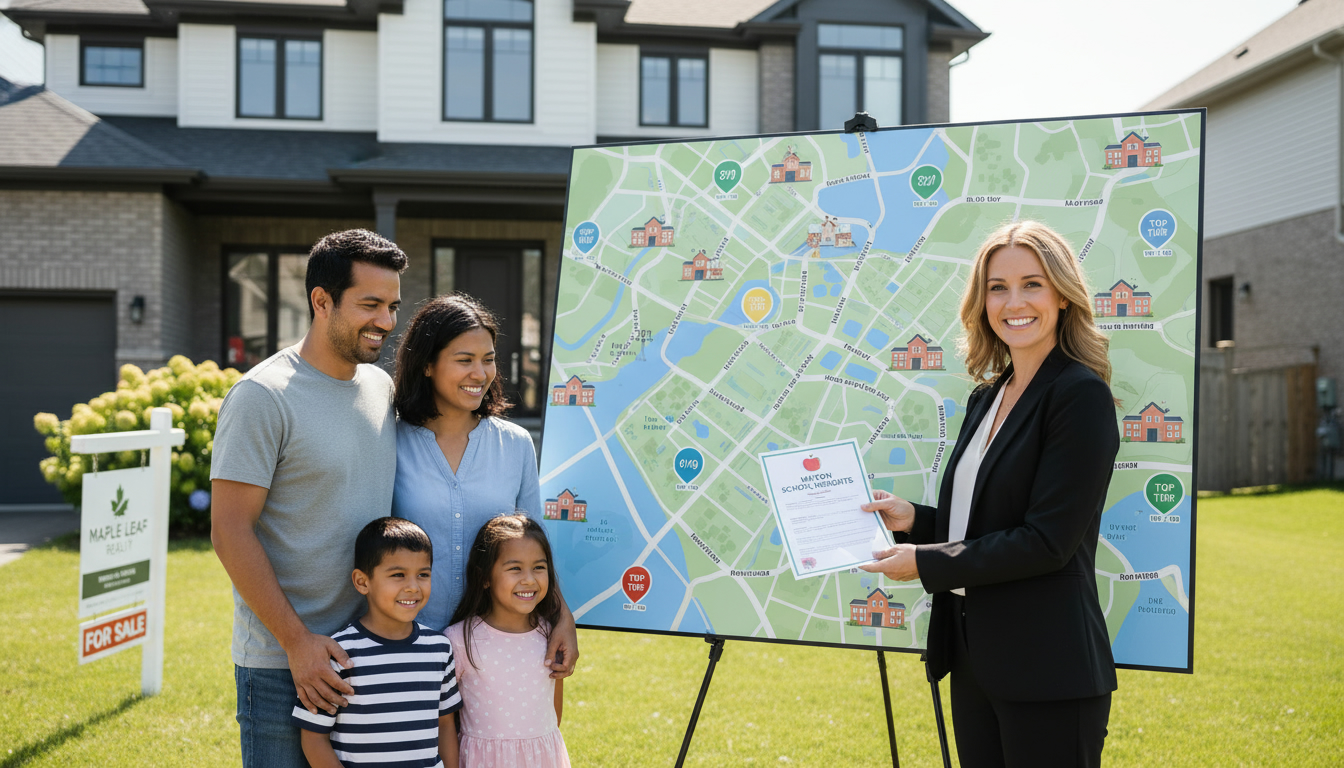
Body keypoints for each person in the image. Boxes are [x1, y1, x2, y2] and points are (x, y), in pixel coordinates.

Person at [860, 220, 1120, 767]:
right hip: (975, 658)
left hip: (1048, 668)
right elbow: (984, 524)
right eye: (997, 287)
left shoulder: (1079, 395)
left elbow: (1048, 540)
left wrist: (925, 563)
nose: (1013, 301)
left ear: (1063, 297)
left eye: (1032, 284)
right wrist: (916, 521)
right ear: (981, 303)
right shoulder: (988, 396)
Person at [211, 229, 407, 767]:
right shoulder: (262, 396)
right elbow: (229, 529)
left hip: (364, 651)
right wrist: (297, 642)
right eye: (370, 304)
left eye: (392, 305)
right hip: (280, 662)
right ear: (321, 301)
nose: (386, 321)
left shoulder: (380, 388)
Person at [391, 294, 579, 677]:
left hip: (495, 649)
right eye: (464, 360)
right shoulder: (389, 442)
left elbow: (534, 544)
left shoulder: (515, 444)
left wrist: (562, 616)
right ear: (427, 364)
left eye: (488, 359)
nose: (480, 373)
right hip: (407, 645)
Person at [293, 517, 463, 768]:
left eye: (423, 574)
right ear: (362, 582)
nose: (413, 587)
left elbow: (446, 725)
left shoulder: (439, 648)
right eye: (398, 575)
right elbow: (313, 738)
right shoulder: (339, 654)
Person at [445, 514, 570, 768]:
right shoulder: (459, 640)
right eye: (515, 568)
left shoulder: (551, 636)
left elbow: (554, 716)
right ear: (485, 577)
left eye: (539, 567)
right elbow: (444, 723)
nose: (529, 579)